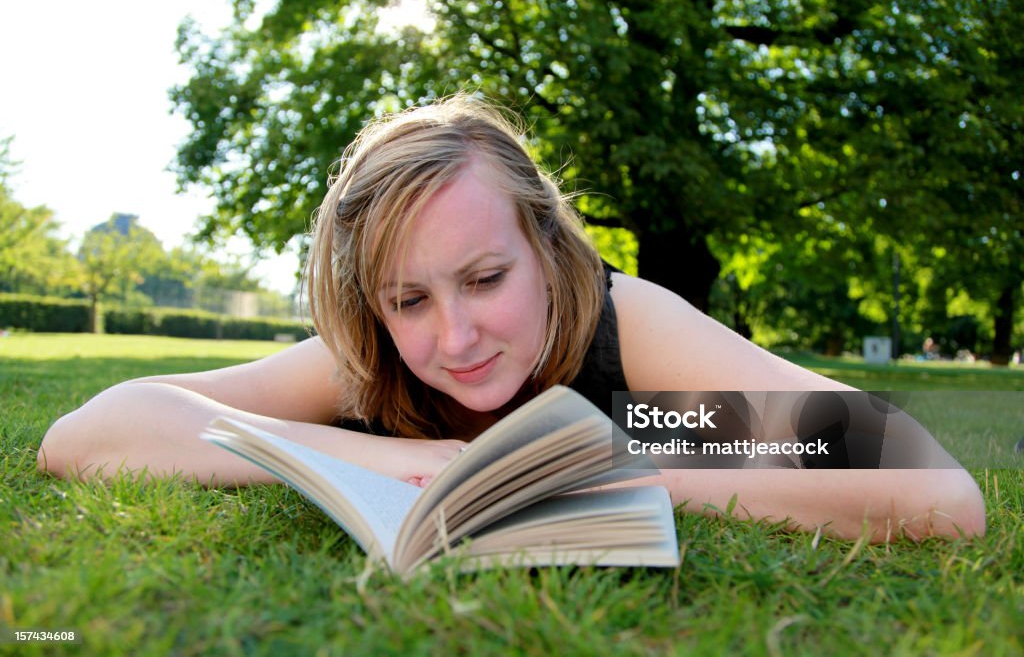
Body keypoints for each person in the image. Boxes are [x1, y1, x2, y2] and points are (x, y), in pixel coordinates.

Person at [37, 95, 985, 542]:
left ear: (547, 250)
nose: (454, 339)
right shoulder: (374, 360)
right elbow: (91, 434)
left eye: (486, 278)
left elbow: (931, 489)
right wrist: (396, 460)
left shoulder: (628, 331)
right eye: (410, 298)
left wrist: (596, 463)